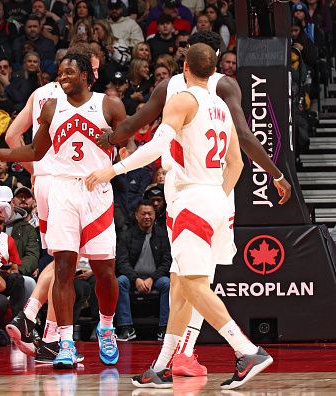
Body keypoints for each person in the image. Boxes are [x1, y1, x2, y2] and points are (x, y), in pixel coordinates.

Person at [97, 30, 291, 377]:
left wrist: (112, 169)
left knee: (194, 284)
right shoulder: (222, 104)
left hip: (191, 199)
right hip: (215, 197)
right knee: (181, 283)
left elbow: (156, 146)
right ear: (216, 66)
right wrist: (219, 193)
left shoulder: (181, 98)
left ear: (183, 65)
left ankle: (246, 351)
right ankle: (161, 365)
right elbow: (236, 162)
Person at [0, 52, 126, 369]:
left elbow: (127, 137)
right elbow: (35, 150)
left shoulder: (109, 105)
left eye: (69, 72)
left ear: (85, 75)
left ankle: (106, 326)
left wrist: (115, 155)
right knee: (62, 268)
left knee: (104, 272)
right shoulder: (51, 106)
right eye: (60, 71)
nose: (62, 77)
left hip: (96, 190)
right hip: (62, 188)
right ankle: (63, 341)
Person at [2, 43, 103, 363]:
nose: (96, 75)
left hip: (44, 182)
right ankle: (30, 316)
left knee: (63, 264)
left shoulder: (41, 93)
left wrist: (35, 170)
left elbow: (11, 137)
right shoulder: (75, 99)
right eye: (94, 69)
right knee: (67, 264)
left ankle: (49, 340)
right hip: (67, 184)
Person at [115, 199, 171, 342]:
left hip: (156, 278)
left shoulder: (163, 234)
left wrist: (152, 278)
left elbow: (167, 262)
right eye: (143, 213)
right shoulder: (126, 235)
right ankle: (126, 328)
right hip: (133, 278)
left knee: (168, 283)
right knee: (120, 281)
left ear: (155, 215)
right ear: (136, 215)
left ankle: (165, 329)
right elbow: (122, 263)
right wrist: (136, 279)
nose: (147, 217)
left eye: (150, 213)